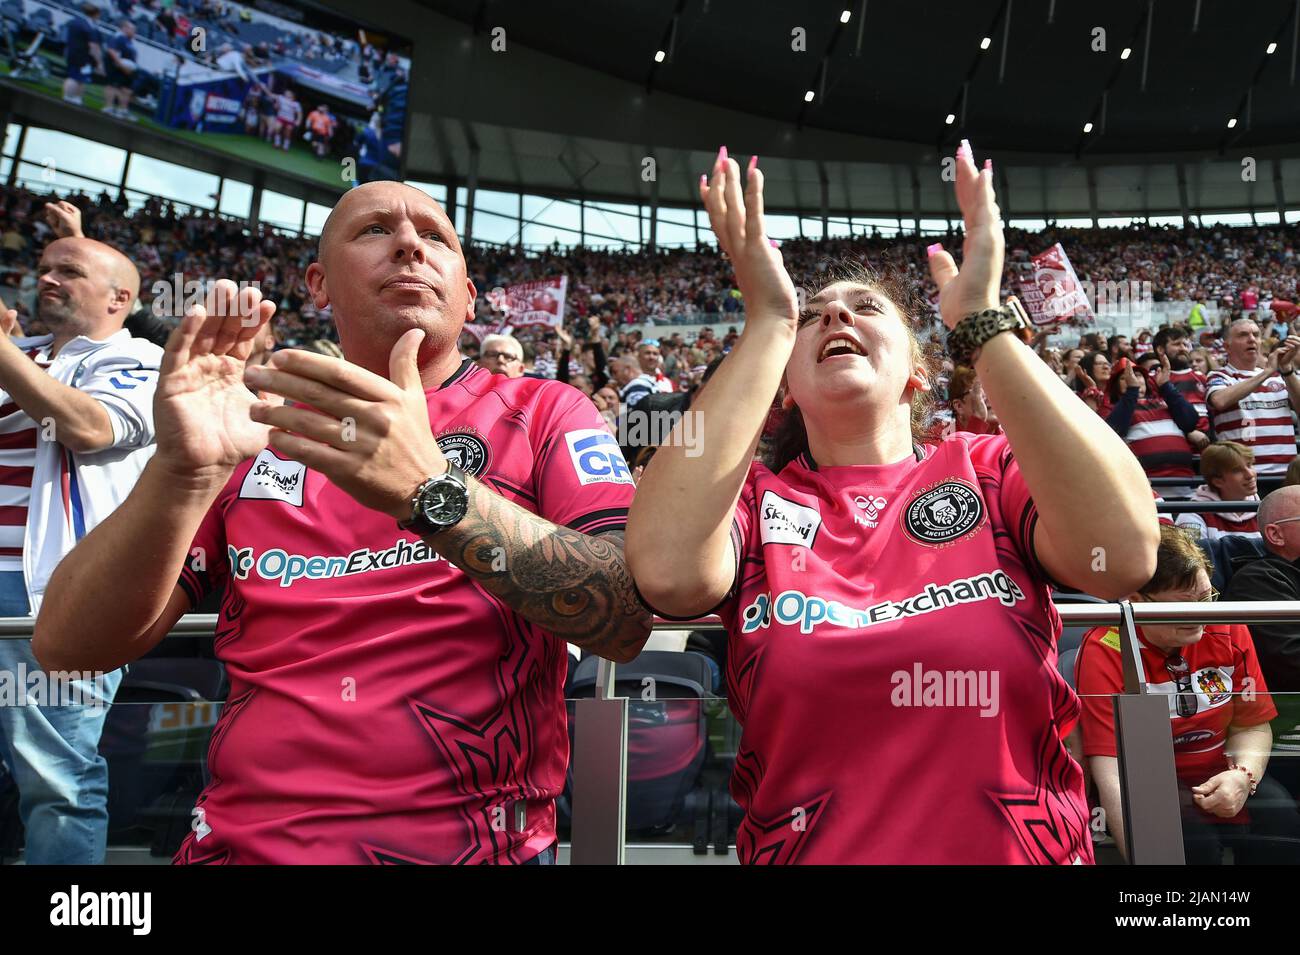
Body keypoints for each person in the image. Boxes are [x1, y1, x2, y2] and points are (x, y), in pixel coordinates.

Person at [33, 181, 652, 864]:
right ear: (318, 285)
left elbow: (624, 614)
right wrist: (182, 471)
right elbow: (66, 645)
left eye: (436, 238)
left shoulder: (544, 412)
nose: (411, 243)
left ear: (468, 295)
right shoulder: (251, 429)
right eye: (375, 230)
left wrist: (431, 493)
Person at [625, 143, 1158, 864]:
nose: (834, 316)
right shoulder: (751, 502)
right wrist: (768, 321)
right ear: (781, 383)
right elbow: (665, 573)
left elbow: (1122, 556)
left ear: (916, 372)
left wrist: (980, 321)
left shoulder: (990, 471)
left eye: (865, 307)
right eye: (813, 317)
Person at [0, 235, 162, 864]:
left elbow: (91, 427)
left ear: (122, 297)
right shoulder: (22, 352)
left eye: (69, 271)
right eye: (43, 268)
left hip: (54, 592)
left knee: (57, 777)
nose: (48, 279)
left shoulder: (139, 358)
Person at [1077, 525, 1299, 864]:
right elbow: (1112, 771)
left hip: (1221, 769)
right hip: (1148, 781)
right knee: (1192, 845)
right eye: (1184, 606)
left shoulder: (1225, 623)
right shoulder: (1106, 650)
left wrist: (1243, 776)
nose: (1200, 616)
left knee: (1282, 820)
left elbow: (1252, 726)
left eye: (1206, 598)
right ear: (1136, 602)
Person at [1205, 318, 1300, 483]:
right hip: (1244, 477)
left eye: (1256, 335)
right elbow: (1220, 401)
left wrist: (1286, 369)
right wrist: (1267, 372)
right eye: (1243, 335)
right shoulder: (1219, 376)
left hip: (1287, 474)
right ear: (1227, 346)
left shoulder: (1282, 377)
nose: (1251, 339)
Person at [1105, 354, 1200, 496]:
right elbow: (1115, 431)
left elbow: (1190, 422)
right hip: (1148, 490)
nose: (1133, 379)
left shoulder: (1166, 401)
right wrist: (1132, 391)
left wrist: (1166, 386)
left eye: (1137, 375)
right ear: (1116, 386)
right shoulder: (1112, 409)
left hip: (1185, 485)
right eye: (1125, 377)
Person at [1175, 441, 1260, 540]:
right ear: (1217, 481)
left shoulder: (1267, 511)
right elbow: (1192, 555)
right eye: (1237, 470)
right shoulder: (1192, 515)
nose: (1250, 474)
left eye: (1249, 465)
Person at [1153, 324, 1211, 449]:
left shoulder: (1202, 378)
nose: (1183, 348)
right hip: (1175, 449)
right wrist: (1188, 432)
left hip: (1207, 449)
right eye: (1177, 344)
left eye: (1185, 344)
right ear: (1160, 350)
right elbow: (1155, 415)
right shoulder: (1152, 379)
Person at [61, 3, 104, 106]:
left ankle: (76, 98)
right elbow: (93, 46)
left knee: (82, 78)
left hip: (74, 53)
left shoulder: (76, 21)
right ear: (96, 14)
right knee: (74, 77)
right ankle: (67, 97)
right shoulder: (89, 27)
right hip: (82, 56)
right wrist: (99, 62)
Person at [101, 20, 138, 120]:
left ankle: (123, 110)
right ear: (124, 28)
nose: (134, 32)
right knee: (112, 85)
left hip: (127, 69)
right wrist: (121, 65)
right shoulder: (118, 37)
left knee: (126, 90)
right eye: (132, 29)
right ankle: (109, 107)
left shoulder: (128, 40)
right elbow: (111, 51)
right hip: (117, 67)